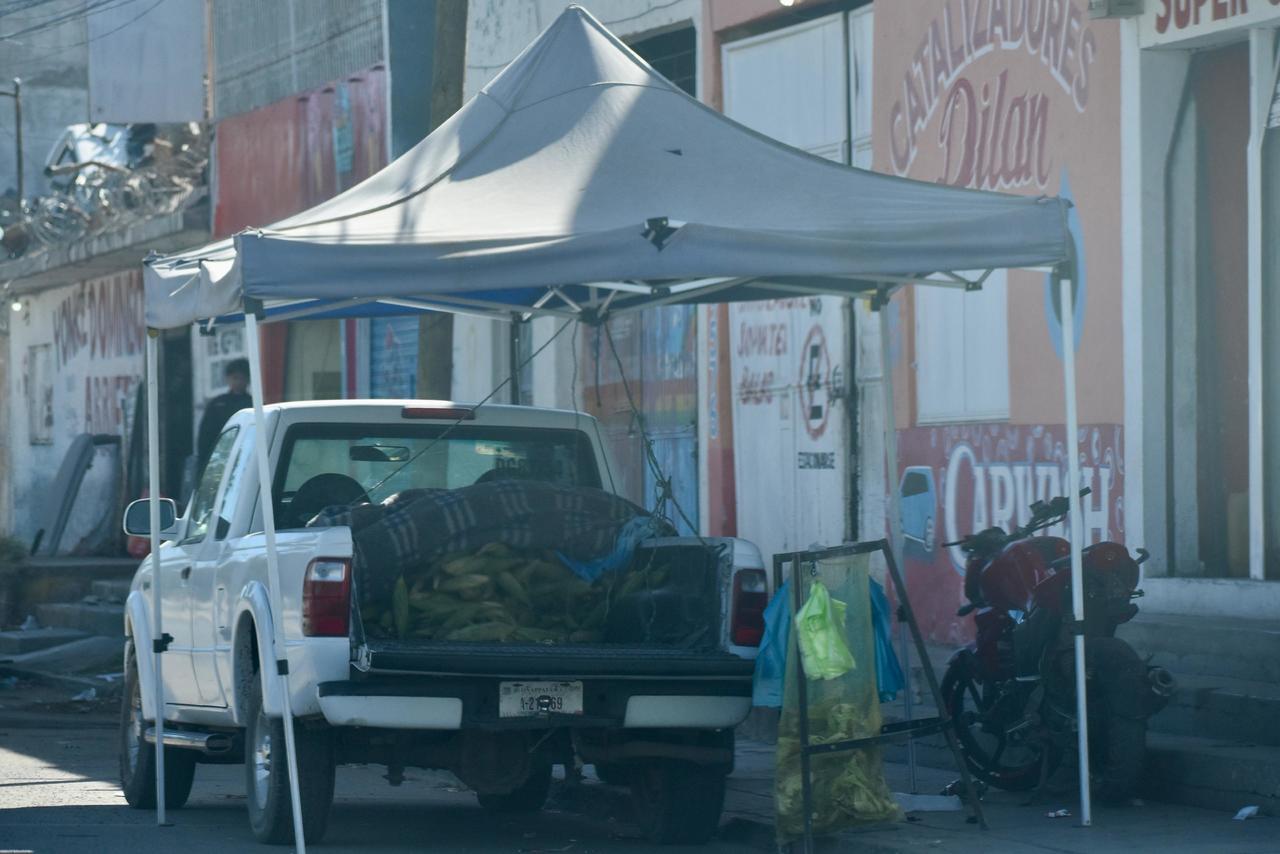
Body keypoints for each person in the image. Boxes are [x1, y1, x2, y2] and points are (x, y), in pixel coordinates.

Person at [197, 358, 252, 471]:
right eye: (235, 378)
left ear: (248, 380)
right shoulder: (217, 404)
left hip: (247, 458)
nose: (238, 382)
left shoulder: (254, 403)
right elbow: (205, 437)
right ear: (228, 379)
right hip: (219, 460)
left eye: (242, 378)